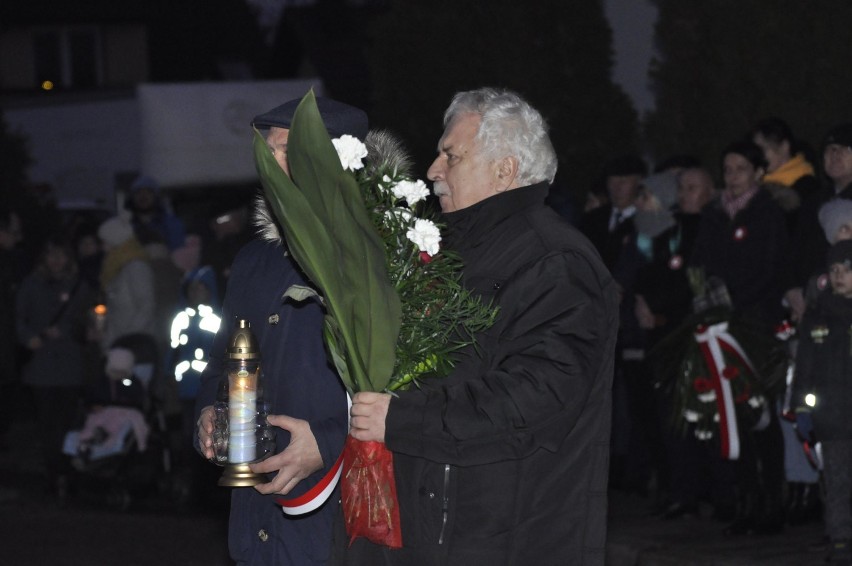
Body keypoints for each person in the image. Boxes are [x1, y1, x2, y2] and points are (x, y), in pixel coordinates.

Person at [339, 88, 619, 565]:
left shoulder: (555, 262)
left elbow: (537, 396)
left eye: (451, 155)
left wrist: (402, 419)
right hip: (436, 533)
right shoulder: (446, 255)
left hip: (503, 541)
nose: (432, 170)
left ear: (504, 170)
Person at [195, 96, 369, 566]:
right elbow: (220, 360)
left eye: (287, 149)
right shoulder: (253, 260)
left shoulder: (378, 254)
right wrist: (210, 411)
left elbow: (416, 389)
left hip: (338, 519)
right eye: (267, 151)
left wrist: (330, 442)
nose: (270, 164)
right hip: (257, 523)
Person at [689, 140, 790, 535]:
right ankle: (746, 499)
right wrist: (704, 299)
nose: (732, 177)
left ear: (757, 173)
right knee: (732, 416)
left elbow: (771, 269)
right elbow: (698, 262)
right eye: (727, 169)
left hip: (755, 326)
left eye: (741, 169)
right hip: (719, 328)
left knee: (761, 413)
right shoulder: (714, 215)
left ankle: (772, 502)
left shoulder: (768, 213)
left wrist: (734, 302)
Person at [16, 237, 94, 496]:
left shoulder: (78, 287)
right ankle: (53, 472)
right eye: (51, 255)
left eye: (61, 255)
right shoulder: (31, 285)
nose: (56, 261)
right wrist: (29, 337)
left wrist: (68, 330)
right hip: (41, 368)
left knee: (69, 421)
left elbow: (87, 323)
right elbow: (18, 319)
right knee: (47, 424)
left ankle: (69, 472)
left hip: (70, 366)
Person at [792, 239, 852, 564]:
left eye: (847, 270)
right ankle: (841, 540)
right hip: (833, 418)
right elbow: (805, 368)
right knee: (837, 481)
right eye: (834, 270)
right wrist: (802, 408)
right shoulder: (819, 317)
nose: (840, 276)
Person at [96, 216, 157, 352]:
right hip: (120, 344)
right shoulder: (117, 267)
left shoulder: (136, 267)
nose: (103, 246)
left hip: (134, 347)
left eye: (105, 241)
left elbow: (146, 306)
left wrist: (128, 340)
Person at [125, 174, 187, 251]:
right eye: (138, 192)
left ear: (156, 196)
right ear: (132, 198)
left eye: (148, 191)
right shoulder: (125, 225)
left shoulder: (172, 223)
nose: (143, 196)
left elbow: (178, 253)